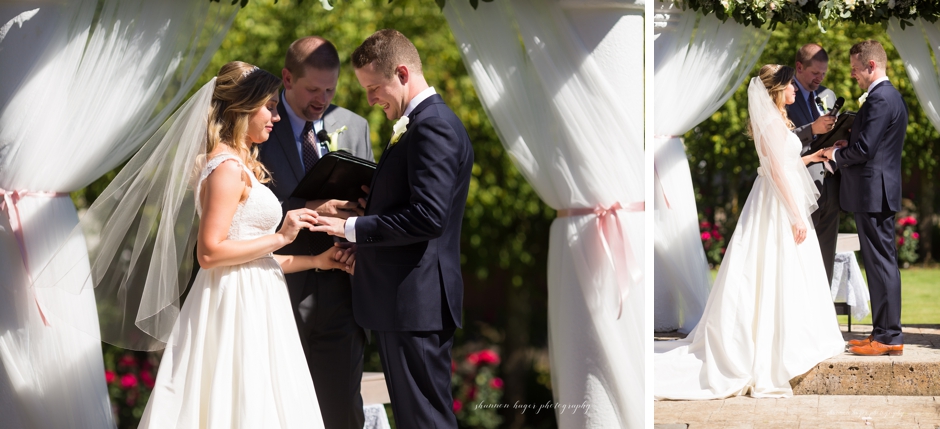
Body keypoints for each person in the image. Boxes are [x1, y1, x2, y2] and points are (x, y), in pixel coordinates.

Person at [137, 61, 354, 428]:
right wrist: (283, 235)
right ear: (243, 107)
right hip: (233, 307)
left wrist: (318, 260)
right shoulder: (225, 167)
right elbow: (209, 253)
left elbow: (253, 258)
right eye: (269, 106)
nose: (277, 116)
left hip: (256, 298)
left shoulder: (240, 163)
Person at [312, 29, 473, 428]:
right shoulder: (419, 122)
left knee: (425, 420)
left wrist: (350, 226)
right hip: (405, 303)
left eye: (373, 87)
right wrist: (376, 206)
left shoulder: (430, 125)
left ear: (402, 73)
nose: (369, 99)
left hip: (415, 304)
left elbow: (428, 217)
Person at [654, 65, 845, 400]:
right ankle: (766, 345)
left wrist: (813, 155)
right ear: (778, 89)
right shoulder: (771, 122)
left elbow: (786, 164)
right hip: (775, 203)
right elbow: (775, 172)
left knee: (789, 269)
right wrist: (794, 215)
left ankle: (798, 335)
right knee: (769, 268)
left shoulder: (778, 120)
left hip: (779, 197)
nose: (796, 91)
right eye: (791, 86)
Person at [258, 36, 373, 429]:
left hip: (342, 292)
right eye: (312, 89)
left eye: (330, 89)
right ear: (287, 79)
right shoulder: (259, 128)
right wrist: (307, 210)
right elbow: (244, 214)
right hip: (276, 287)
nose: (322, 99)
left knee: (341, 411)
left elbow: (371, 206)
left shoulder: (355, 126)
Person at [823, 40, 907, 357]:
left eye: (856, 69)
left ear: (871, 66)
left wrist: (836, 152)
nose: (853, 74)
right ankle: (883, 332)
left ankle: (889, 336)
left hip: (874, 192)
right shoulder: (888, 97)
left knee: (881, 264)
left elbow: (864, 151)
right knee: (879, 263)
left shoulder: (880, 99)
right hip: (876, 190)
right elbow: (873, 143)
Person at [787, 43, 841, 284]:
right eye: (815, 73)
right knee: (799, 254)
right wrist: (812, 129)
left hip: (831, 186)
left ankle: (824, 315)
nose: (820, 78)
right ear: (799, 67)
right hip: (800, 186)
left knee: (826, 255)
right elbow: (776, 139)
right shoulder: (784, 95)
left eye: (823, 73)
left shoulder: (828, 95)